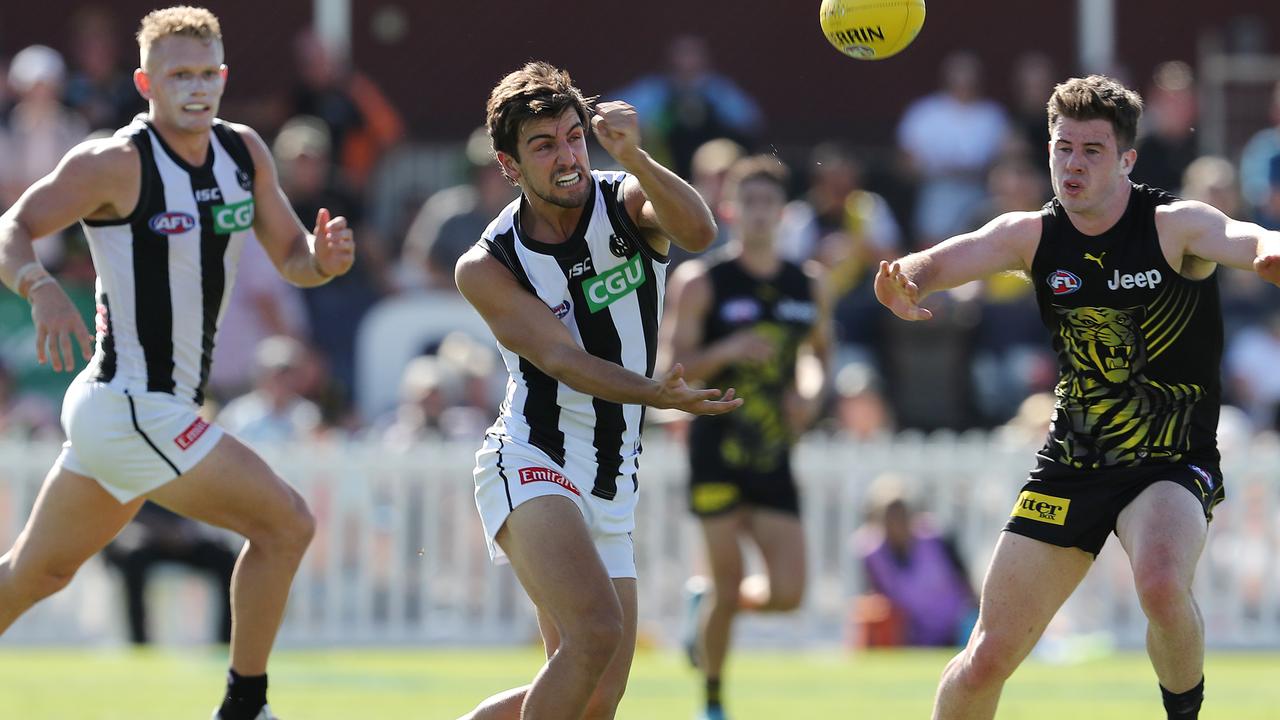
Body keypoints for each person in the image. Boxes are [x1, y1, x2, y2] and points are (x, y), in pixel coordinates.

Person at [874, 74, 1280, 720]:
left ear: (1127, 160)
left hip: (1170, 461)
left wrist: (1269, 251)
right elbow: (942, 261)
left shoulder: (1174, 226)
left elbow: (1247, 238)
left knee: (1159, 581)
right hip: (1076, 461)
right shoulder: (1033, 236)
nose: (1073, 163)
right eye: (1063, 148)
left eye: (1092, 150)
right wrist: (906, 282)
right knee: (986, 657)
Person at [0, 8, 356, 720]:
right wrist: (41, 289)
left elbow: (292, 257)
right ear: (144, 82)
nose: (196, 88)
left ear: (223, 78)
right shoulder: (115, 160)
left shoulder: (244, 151)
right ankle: (245, 707)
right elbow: (13, 226)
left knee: (35, 575)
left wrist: (322, 262)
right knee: (287, 523)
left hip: (141, 412)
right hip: (131, 401)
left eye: (206, 74)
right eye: (178, 75)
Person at [454, 61, 741, 720]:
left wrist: (636, 156)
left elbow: (700, 234)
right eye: (543, 145)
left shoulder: (626, 198)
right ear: (509, 165)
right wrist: (655, 394)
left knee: (597, 693)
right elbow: (559, 357)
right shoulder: (486, 264)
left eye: (573, 136)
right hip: (532, 458)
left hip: (614, 476)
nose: (567, 157)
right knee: (596, 636)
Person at [659, 155, 831, 720]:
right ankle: (712, 702)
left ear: (784, 212)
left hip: (774, 451)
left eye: (769, 204)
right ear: (730, 211)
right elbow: (672, 370)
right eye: (748, 203)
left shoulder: (807, 284)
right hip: (714, 450)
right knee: (730, 579)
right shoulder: (702, 282)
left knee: (787, 593)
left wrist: (808, 394)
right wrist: (727, 351)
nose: (759, 214)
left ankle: (706, 606)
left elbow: (817, 358)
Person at [849, 477, 977, 648]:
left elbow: (965, 580)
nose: (896, 523)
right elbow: (873, 598)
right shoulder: (872, 554)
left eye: (901, 515)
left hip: (954, 627)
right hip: (909, 635)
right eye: (889, 516)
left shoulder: (938, 539)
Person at [101, 501, 238, 645]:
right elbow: (121, 514)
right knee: (133, 561)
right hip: (144, 539)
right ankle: (139, 642)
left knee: (225, 558)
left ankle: (227, 641)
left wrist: (187, 531)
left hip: (183, 540)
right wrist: (161, 529)